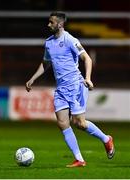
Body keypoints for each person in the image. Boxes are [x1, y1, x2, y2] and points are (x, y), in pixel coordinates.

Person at [26, 11, 115, 168]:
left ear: (60, 24)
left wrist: (88, 78)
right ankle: (79, 159)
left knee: (79, 123)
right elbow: (46, 63)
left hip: (76, 86)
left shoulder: (70, 40)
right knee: (62, 122)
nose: (48, 25)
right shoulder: (49, 43)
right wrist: (33, 78)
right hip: (61, 89)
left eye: (51, 22)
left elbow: (86, 58)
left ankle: (106, 139)